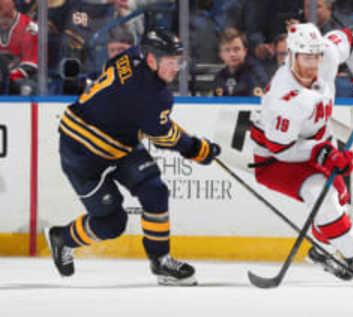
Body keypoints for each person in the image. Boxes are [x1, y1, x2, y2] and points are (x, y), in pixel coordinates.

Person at [44, 27, 221, 286]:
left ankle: (161, 262)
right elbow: (164, 137)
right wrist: (197, 149)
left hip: (120, 141)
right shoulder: (151, 95)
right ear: (152, 60)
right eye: (171, 63)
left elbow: (142, 113)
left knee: (155, 191)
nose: (176, 69)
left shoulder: (132, 55)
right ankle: (63, 238)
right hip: (81, 151)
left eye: (178, 62)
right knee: (112, 223)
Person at [249, 23, 353, 280]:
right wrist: (321, 152)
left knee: (339, 197)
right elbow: (281, 150)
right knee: (321, 195)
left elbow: (351, 40)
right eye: (306, 57)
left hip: (316, 140)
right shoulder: (284, 99)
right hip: (275, 160)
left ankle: (323, 246)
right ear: (291, 55)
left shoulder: (325, 54)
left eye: (316, 55)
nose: (314, 63)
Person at [213, 27, 268, 97]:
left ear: (245, 51)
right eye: (227, 50)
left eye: (236, 49)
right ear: (221, 54)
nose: (232, 54)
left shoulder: (256, 75)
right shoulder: (219, 77)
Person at [0, 0, 38, 95]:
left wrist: (7, 75)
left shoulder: (29, 27)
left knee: (25, 88)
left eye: (7, 15)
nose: (3, 20)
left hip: (20, 78)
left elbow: (30, 66)